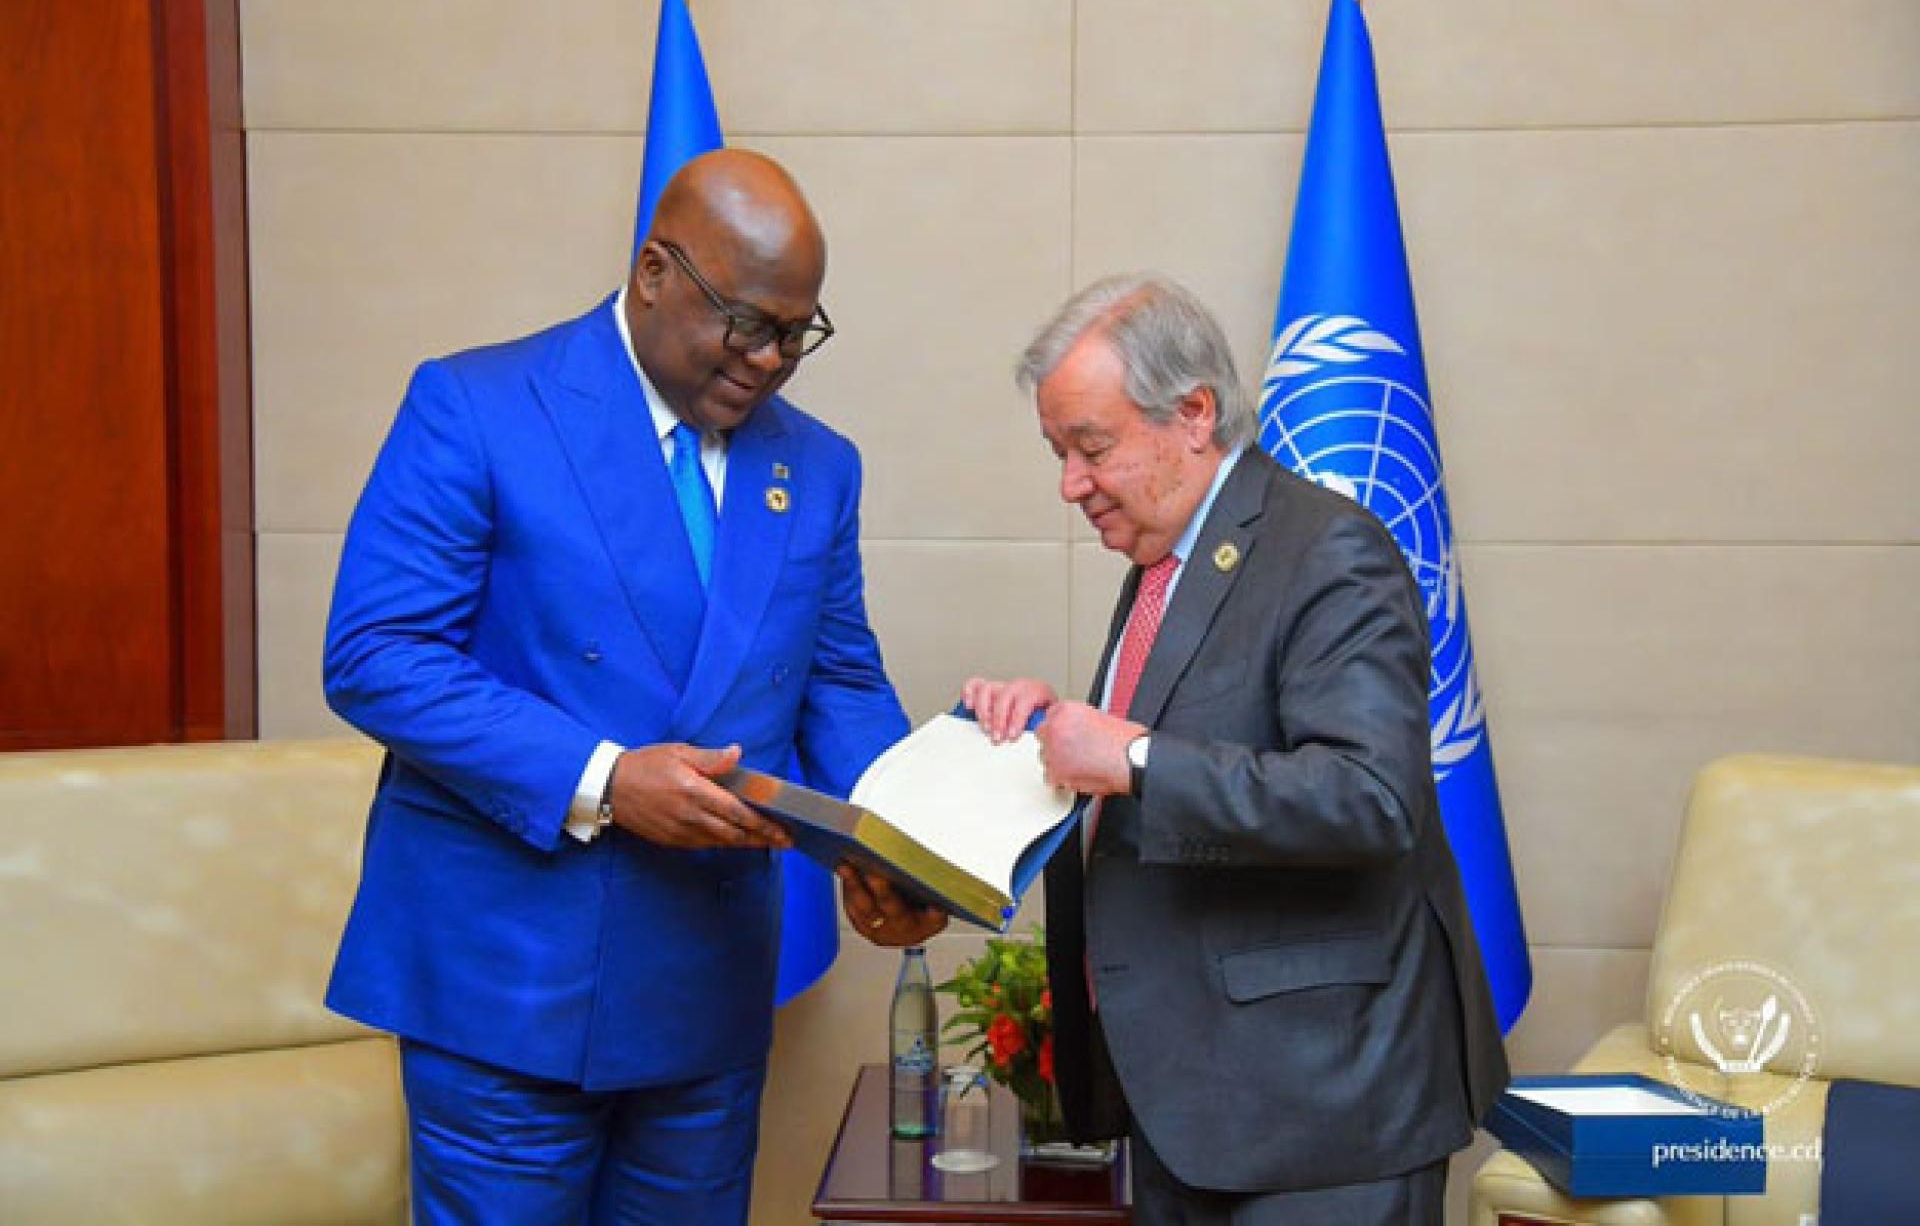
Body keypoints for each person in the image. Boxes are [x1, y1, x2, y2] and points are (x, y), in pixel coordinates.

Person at [323, 148, 942, 1225]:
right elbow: (377, 652)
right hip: (507, 987)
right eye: (745, 323)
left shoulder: (820, 465)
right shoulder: (478, 406)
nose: (770, 360)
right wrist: (604, 778)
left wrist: (895, 845)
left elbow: (837, 680)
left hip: (704, 988)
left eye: (797, 333)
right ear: (655, 270)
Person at [964, 274, 1509, 1225]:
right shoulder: (1165, 560)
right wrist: (1057, 727)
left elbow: (1370, 794)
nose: (1071, 484)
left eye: (1091, 447)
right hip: (1197, 1103)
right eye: (1059, 453)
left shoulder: (1330, 549)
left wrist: (1131, 758)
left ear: (1194, 413)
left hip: (1321, 1117)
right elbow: (1204, 730)